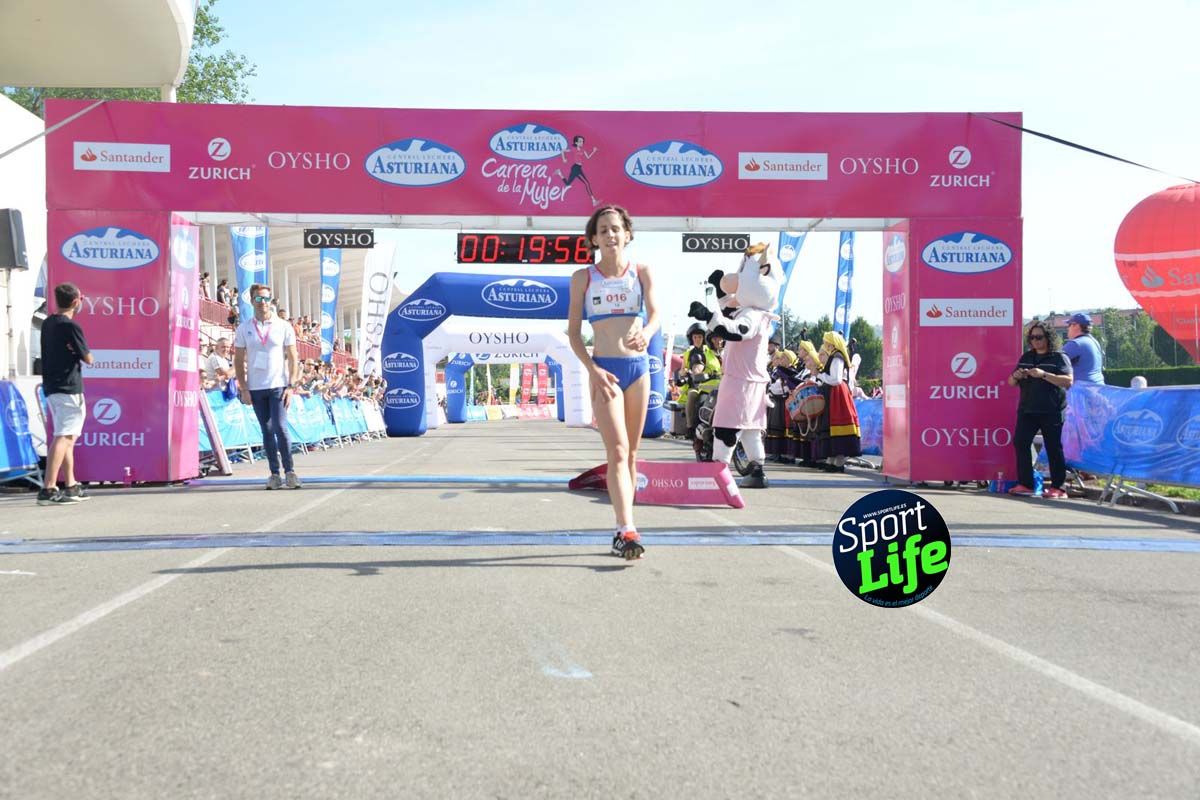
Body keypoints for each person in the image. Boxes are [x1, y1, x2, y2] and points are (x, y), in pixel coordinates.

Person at [567, 205, 660, 559]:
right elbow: (574, 333)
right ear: (594, 238)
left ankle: (626, 526)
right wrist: (592, 368)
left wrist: (649, 332)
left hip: (638, 369)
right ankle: (627, 529)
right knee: (617, 451)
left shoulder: (642, 271)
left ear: (627, 234)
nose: (610, 235)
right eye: (603, 230)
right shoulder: (582, 278)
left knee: (633, 453)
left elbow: (655, 313)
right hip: (604, 370)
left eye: (615, 229)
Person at [234, 283, 302, 490]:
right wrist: (244, 387)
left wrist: (291, 385)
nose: (262, 303)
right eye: (258, 299)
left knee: (280, 427)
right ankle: (274, 474)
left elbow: (293, 357)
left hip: (278, 385)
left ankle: (290, 471)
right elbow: (238, 360)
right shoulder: (244, 328)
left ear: (271, 301)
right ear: (252, 301)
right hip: (256, 387)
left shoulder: (283, 326)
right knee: (267, 429)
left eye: (266, 299)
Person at [38, 283, 95, 505]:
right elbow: (88, 358)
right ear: (75, 301)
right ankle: (49, 488)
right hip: (68, 387)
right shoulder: (71, 326)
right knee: (63, 436)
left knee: (68, 435)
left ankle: (70, 485)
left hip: (52, 385)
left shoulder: (48, 323)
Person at [1007, 321, 1073, 498]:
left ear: (1048, 338)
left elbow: (1068, 381)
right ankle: (1025, 484)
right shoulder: (1026, 357)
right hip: (1027, 409)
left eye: (1039, 337)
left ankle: (1058, 487)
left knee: (1053, 447)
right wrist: (1016, 375)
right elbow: (1011, 382)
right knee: (1020, 442)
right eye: (1032, 337)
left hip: (1051, 409)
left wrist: (1044, 375)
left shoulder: (1059, 358)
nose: (1035, 341)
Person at [812, 331, 862, 472]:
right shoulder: (835, 356)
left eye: (826, 341)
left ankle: (838, 462)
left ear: (831, 343)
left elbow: (836, 379)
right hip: (834, 393)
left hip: (838, 393)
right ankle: (833, 460)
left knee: (837, 423)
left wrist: (820, 375)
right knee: (831, 424)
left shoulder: (837, 357)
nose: (824, 344)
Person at [678, 322, 722, 440]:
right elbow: (683, 371)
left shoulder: (712, 352)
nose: (697, 339)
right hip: (694, 383)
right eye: (695, 337)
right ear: (691, 339)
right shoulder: (689, 353)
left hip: (717, 386)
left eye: (700, 337)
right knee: (692, 396)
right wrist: (687, 372)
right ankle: (690, 426)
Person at [556, 135, 599, 207]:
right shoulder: (574, 149)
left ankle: (559, 173)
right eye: (580, 141)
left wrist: (593, 151)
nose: (582, 142)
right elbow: (563, 150)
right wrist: (564, 159)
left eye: (582, 141)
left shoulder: (583, 149)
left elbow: (588, 157)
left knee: (567, 184)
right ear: (576, 142)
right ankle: (593, 201)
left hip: (578, 168)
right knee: (587, 183)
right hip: (576, 168)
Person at [1062, 312, 1105, 385]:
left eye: (1069, 325)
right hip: (1099, 389)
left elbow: (1053, 360)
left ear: (1076, 325)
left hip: (1083, 392)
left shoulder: (1075, 344)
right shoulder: (1094, 342)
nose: (1067, 328)